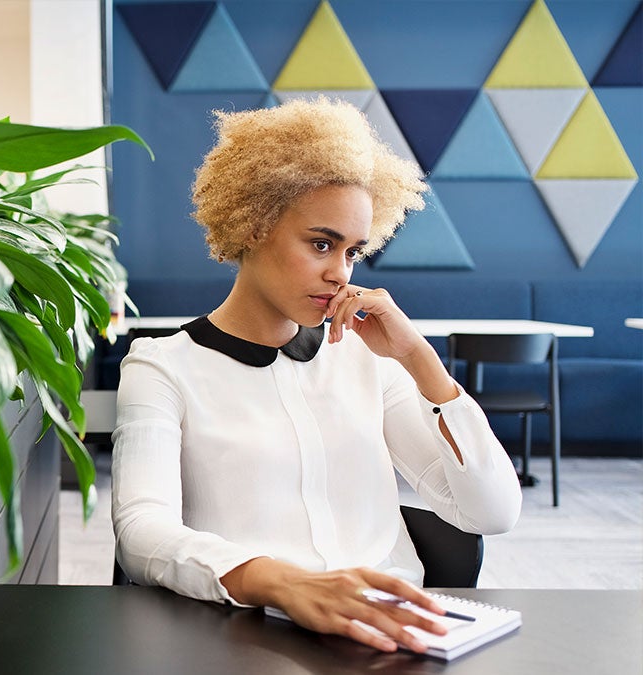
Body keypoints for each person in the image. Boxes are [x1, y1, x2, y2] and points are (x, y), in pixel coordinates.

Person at [110, 98, 522, 654]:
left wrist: (419, 359)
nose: (340, 273)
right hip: (248, 641)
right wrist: (287, 584)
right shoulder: (162, 367)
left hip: (393, 640)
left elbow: (491, 513)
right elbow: (141, 531)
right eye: (321, 244)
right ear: (253, 225)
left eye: (353, 251)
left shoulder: (372, 361)